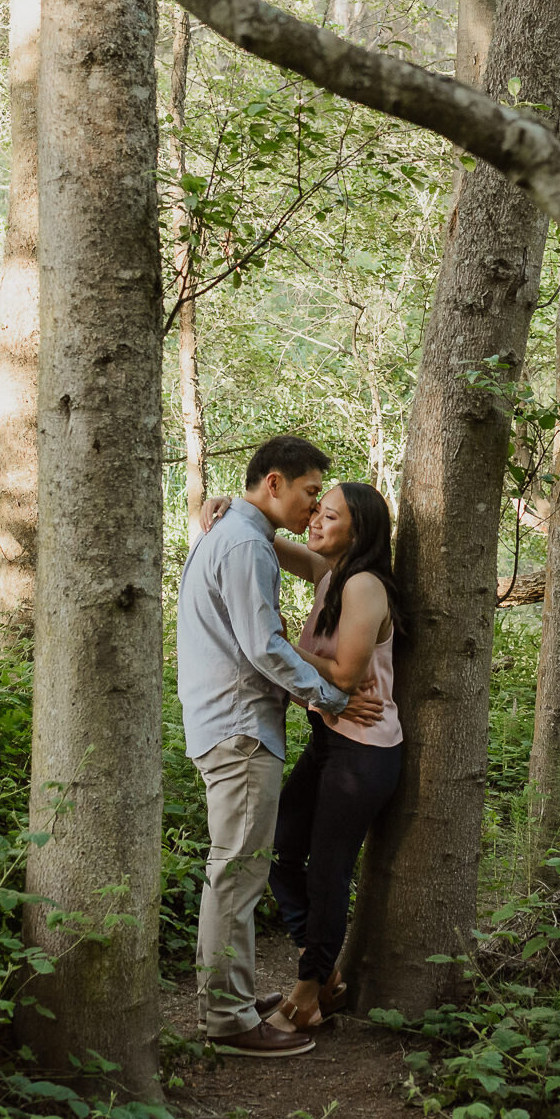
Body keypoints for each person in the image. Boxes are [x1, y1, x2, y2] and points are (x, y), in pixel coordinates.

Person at [176, 435, 380, 1058]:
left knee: (238, 871)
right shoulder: (243, 543)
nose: (312, 506)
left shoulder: (241, 535)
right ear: (273, 483)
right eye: (310, 491)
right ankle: (230, 1019)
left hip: (230, 723)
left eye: (323, 499)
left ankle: (231, 1002)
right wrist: (332, 697)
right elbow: (263, 647)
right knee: (236, 875)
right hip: (238, 729)